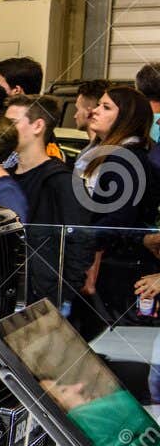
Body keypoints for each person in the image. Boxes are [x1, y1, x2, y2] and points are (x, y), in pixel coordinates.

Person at [82, 84, 159, 330]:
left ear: (125, 117)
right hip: (114, 262)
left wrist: (88, 243)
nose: (94, 111)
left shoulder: (125, 159)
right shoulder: (111, 154)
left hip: (119, 270)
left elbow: (116, 220)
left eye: (106, 107)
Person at [6, 95, 94, 307]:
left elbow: (80, 241)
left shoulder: (61, 181)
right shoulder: (4, 178)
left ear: (37, 126)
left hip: (42, 298)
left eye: (12, 123)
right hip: (8, 292)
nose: (4, 130)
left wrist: (61, 293)